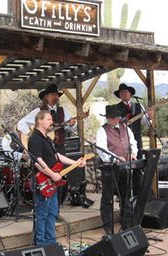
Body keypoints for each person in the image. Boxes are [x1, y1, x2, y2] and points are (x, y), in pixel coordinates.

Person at [28, 110, 86, 245]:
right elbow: (37, 161)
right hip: (43, 180)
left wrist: (76, 162)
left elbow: (57, 156)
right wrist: (51, 174)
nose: (51, 122)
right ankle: (41, 245)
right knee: (42, 214)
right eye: (48, 119)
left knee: (52, 212)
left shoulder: (48, 138)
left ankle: (51, 243)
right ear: (40, 121)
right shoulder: (35, 138)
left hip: (52, 181)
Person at [96, 105, 138, 235]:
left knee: (126, 196)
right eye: (112, 118)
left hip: (125, 167)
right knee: (107, 198)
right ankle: (108, 227)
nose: (115, 120)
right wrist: (115, 158)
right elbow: (101, 149)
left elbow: (133, 143)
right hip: (110, 169)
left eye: (116, 118)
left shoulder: (126, 128)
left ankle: (127, 224)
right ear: (107, 118)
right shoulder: (102, 131)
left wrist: (133, 153)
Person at [17, 83, 76, 154]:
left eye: (57, 95)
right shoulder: (39, 111)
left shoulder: (63, 111)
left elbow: (71, 129)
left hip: (60, 148)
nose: (56, 97)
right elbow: (21, 123)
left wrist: (71, 125)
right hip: (44, 149)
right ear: (46, 97)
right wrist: (30, 133)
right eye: (53, 95)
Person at [114, 83, 153, 159]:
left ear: (130, 93)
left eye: (125, 91)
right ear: (119, 95)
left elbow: (144, 123)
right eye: (121, 92)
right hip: (122, 140)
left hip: (137, 138)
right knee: (125, 163)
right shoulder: (115, 108)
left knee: (138, 161)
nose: (124, 93)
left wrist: (150, 117)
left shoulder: (139, 106)